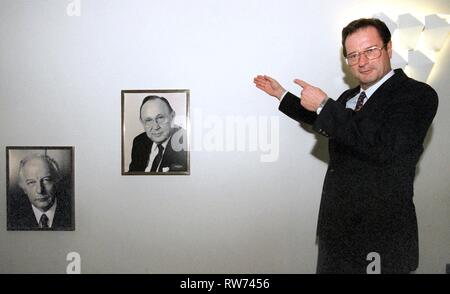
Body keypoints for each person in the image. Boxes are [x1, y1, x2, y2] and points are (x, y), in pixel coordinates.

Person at [254, 18, 438, 273]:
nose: (361, 62)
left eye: (370, 51)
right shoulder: (350, 97)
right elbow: (327, 120)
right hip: (336, 233)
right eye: (353, 55)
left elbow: (385, 146)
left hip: (380, 238)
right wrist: (282, 94)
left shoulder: (417, 95)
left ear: (389, 48)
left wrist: (324, 105)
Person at [7, 154, 74, 230]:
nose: (40, 190)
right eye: (31, 182)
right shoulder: (12, 219)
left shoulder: (72, 213)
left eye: (46, 180)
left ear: (56, 181)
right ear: (24, 188)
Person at [128, 95, 188, 173]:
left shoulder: (185, 142)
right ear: (142, 122)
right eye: (148, 120)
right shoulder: (139, 142)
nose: (156, 127)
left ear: (172, 117)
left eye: (160, 118)